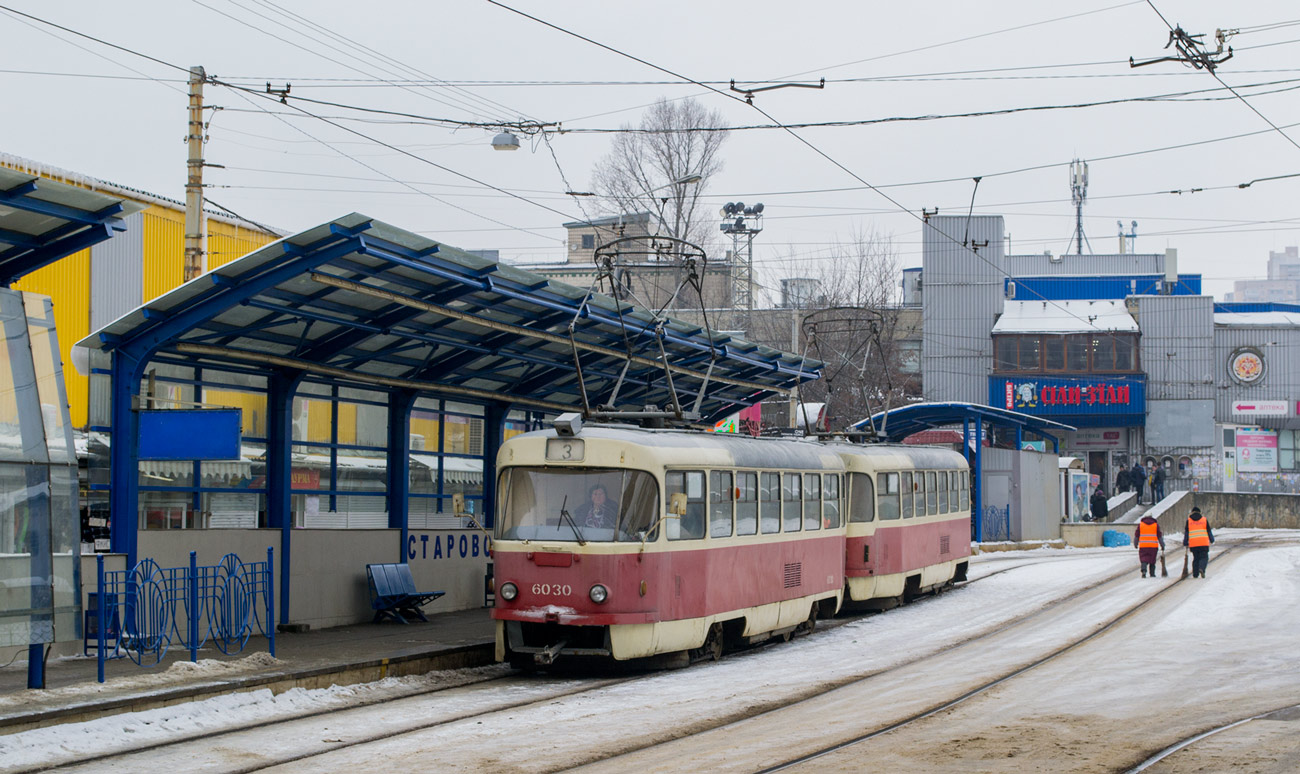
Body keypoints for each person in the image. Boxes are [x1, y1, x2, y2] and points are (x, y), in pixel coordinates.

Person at [1184, 506, 1215, 579]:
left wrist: (1185, 542)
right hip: (1203, 543)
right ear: (1200, 512)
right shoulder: (1204, 520)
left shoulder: (1189, 521)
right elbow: (1209, 531)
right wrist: (1212, 539)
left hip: (1193, 544)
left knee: (1196, 558)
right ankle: (1201, 568)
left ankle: (1195, 574)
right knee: (1204, 557)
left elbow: (1186, 533)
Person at [1135, 511, 1164, 578]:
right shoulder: (1155, 525)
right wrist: (1162, 545)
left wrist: (1135, 544)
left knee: (1143, 559)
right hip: (1153, 546)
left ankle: (1144, 570)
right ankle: (1152, 573)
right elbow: (1159, 536)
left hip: (1143, 546)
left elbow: (1137, 535)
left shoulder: (1141, 525)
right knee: (1152, 560)